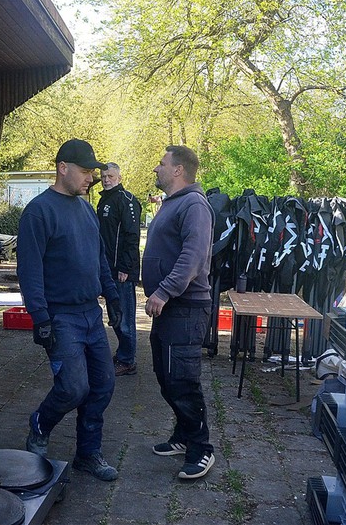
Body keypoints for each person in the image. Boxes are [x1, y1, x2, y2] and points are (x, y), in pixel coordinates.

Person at [17, 138, 123, 482]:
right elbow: (29, 270)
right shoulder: (38, 212)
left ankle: (88, 454)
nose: (92, 178)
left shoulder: (86, 210)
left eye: (94, 172)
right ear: (63, 168)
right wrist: (40, 318)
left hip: (91, 313)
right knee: (73, 388)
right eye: (86, 171)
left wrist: (113, 297)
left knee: (103, 385)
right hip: (61, 317)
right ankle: (39, 424)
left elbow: (99, 258)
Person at [142, 145, 216, 480]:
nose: (156, 168)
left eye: (161, 163)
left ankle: (201, 448)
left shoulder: (194, 205)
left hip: (185, 308)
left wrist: (164, 291)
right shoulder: (173, 203)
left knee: (182, 381)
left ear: (178, 170)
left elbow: (193, 257)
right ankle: (184, 436)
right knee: (166, 377)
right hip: (170, 310)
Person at [97, 163, 142, 376]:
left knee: (124, 317)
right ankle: (123, 352)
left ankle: (127, 360)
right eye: (103, 176)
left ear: (119, 177)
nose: (106, 180)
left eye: (110, 176)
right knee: (115, 315)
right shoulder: (104, 200)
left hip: (122, 271)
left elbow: (132, 236)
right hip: (107, 269)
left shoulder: (127, 200)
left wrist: (125, 267)